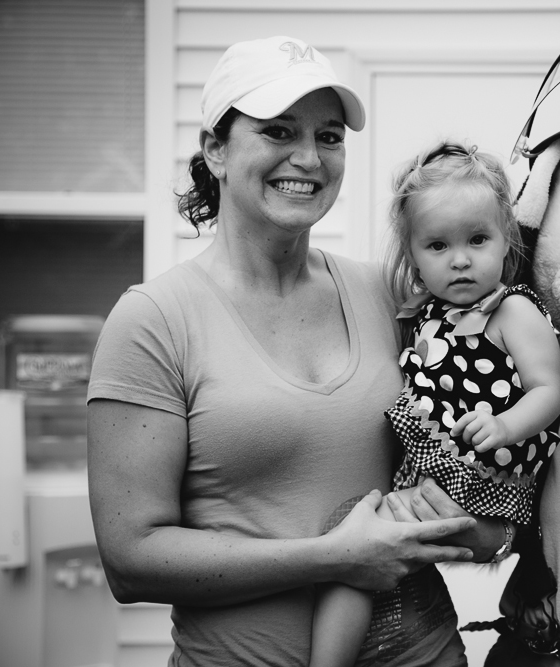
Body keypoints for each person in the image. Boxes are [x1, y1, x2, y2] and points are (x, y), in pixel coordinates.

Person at [87, 36, 509, 667]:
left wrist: (479, 527)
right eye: (279, 132)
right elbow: (132, 560)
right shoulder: (154, 321)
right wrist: (335, 559)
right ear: (216, 150)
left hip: (428, 653)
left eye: (329, 136)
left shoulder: (389, 295)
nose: (309, 158)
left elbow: (494, 434)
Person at [310, 141, 560, 667]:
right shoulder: (427, 313)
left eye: (477, 239)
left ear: (506, 240)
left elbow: (549, 391)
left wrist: (505, 423)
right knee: (357, 549)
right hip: (437, 475)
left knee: (355, 549)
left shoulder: (511, 311)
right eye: (438, 246)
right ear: (413, 257)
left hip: (486, 479)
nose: (461, 259)